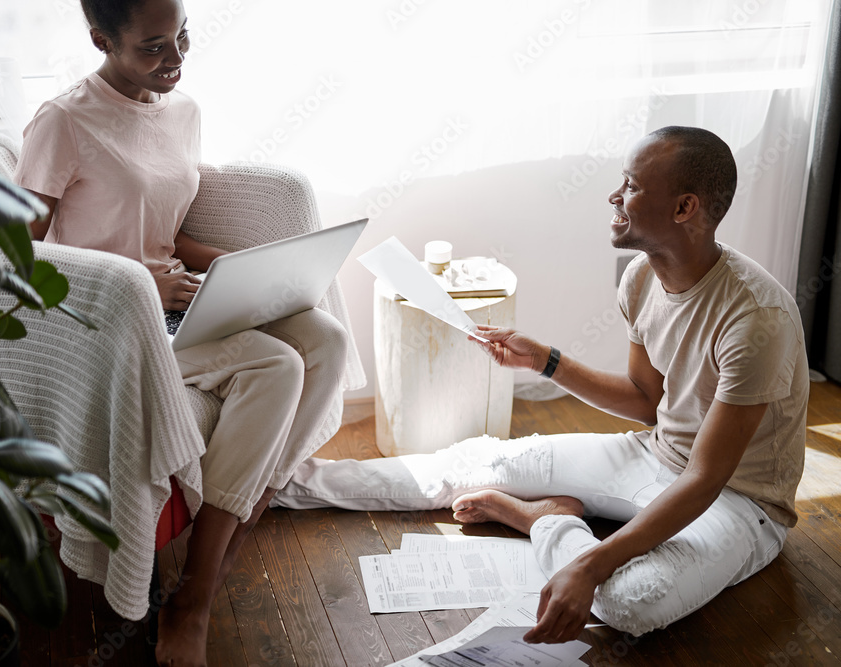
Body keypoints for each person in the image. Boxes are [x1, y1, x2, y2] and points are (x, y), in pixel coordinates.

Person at [273, 126, 810, 643]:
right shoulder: (641, 277)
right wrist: (546, 362)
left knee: (628, 603)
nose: (613, 195)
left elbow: (706, 478)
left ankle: (542, 521)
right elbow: (647, 402)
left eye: (631, 185)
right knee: (472, 464)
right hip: (656, 456)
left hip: (738, 504)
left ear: (684, 208)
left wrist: (588, 565)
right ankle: (275, 487)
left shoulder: (756, 320)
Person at [12, 1, 348, 664]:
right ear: (101, 40)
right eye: (154, 47)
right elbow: (20, 258)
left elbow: (164, 231)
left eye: (183, 39)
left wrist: (228, 266)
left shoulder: (183, 111)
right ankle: (193, 593)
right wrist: (138, 278)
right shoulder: (63, 122)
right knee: (275, 366)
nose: (175, 60)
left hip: (179, 302)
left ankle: (239, 520)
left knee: (328, 341)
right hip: (109, 320)